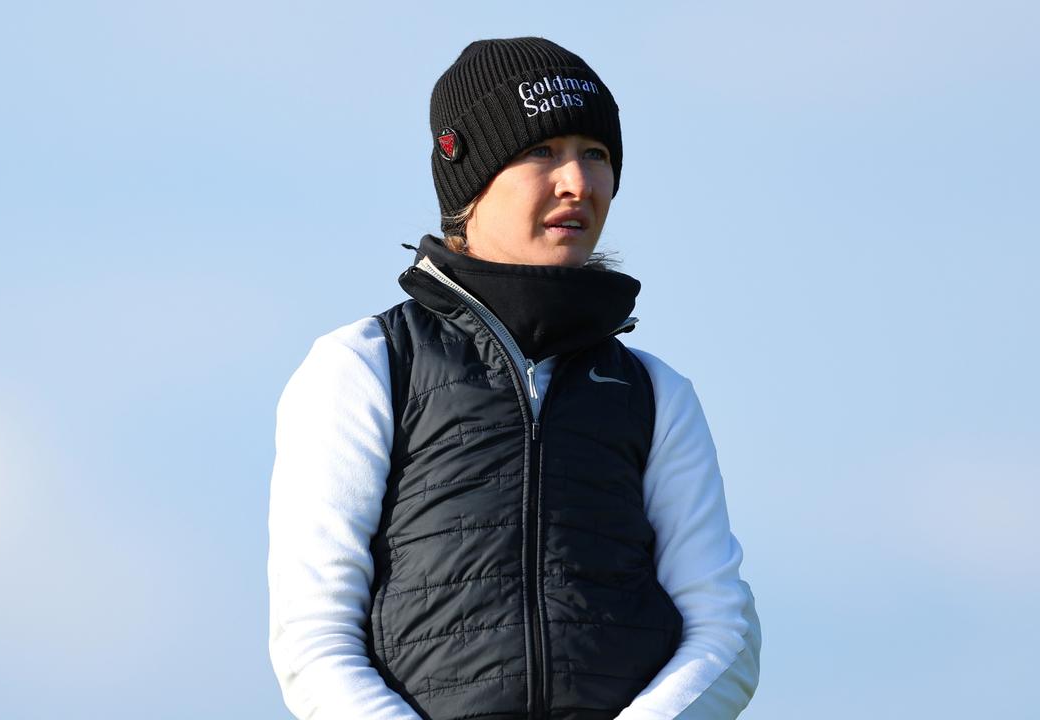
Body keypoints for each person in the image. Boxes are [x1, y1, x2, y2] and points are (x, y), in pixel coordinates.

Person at [268, 37, 760, 719]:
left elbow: (725, 633)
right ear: (466, 178)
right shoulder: (364, 365)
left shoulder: (656, 394)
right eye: (541, 152)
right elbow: (313, 640)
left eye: (597, 154)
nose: (578, 183)